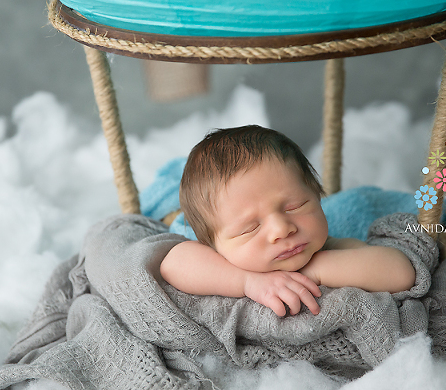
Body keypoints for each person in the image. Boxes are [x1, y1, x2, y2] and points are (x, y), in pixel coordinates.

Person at [160, 125, 416, 317]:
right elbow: (173, 264)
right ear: (213, 244)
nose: (281, 229)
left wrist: (312, 270)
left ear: (317, 196)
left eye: (296, 206)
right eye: (250, 228)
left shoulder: (331, 249)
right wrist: (248, 282)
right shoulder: (218, 261)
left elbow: (401, 272)